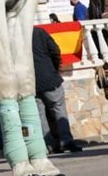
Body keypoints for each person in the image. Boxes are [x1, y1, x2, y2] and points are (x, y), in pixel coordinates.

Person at [32, 26, 83, 154]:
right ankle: (66, 142)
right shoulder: (38, 32)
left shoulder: (15, 37)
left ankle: (49, 145)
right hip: (49, 77)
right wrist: (54, 69)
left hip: (31, 82)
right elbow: (55, 50)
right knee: (59, 109)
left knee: (40, 114)